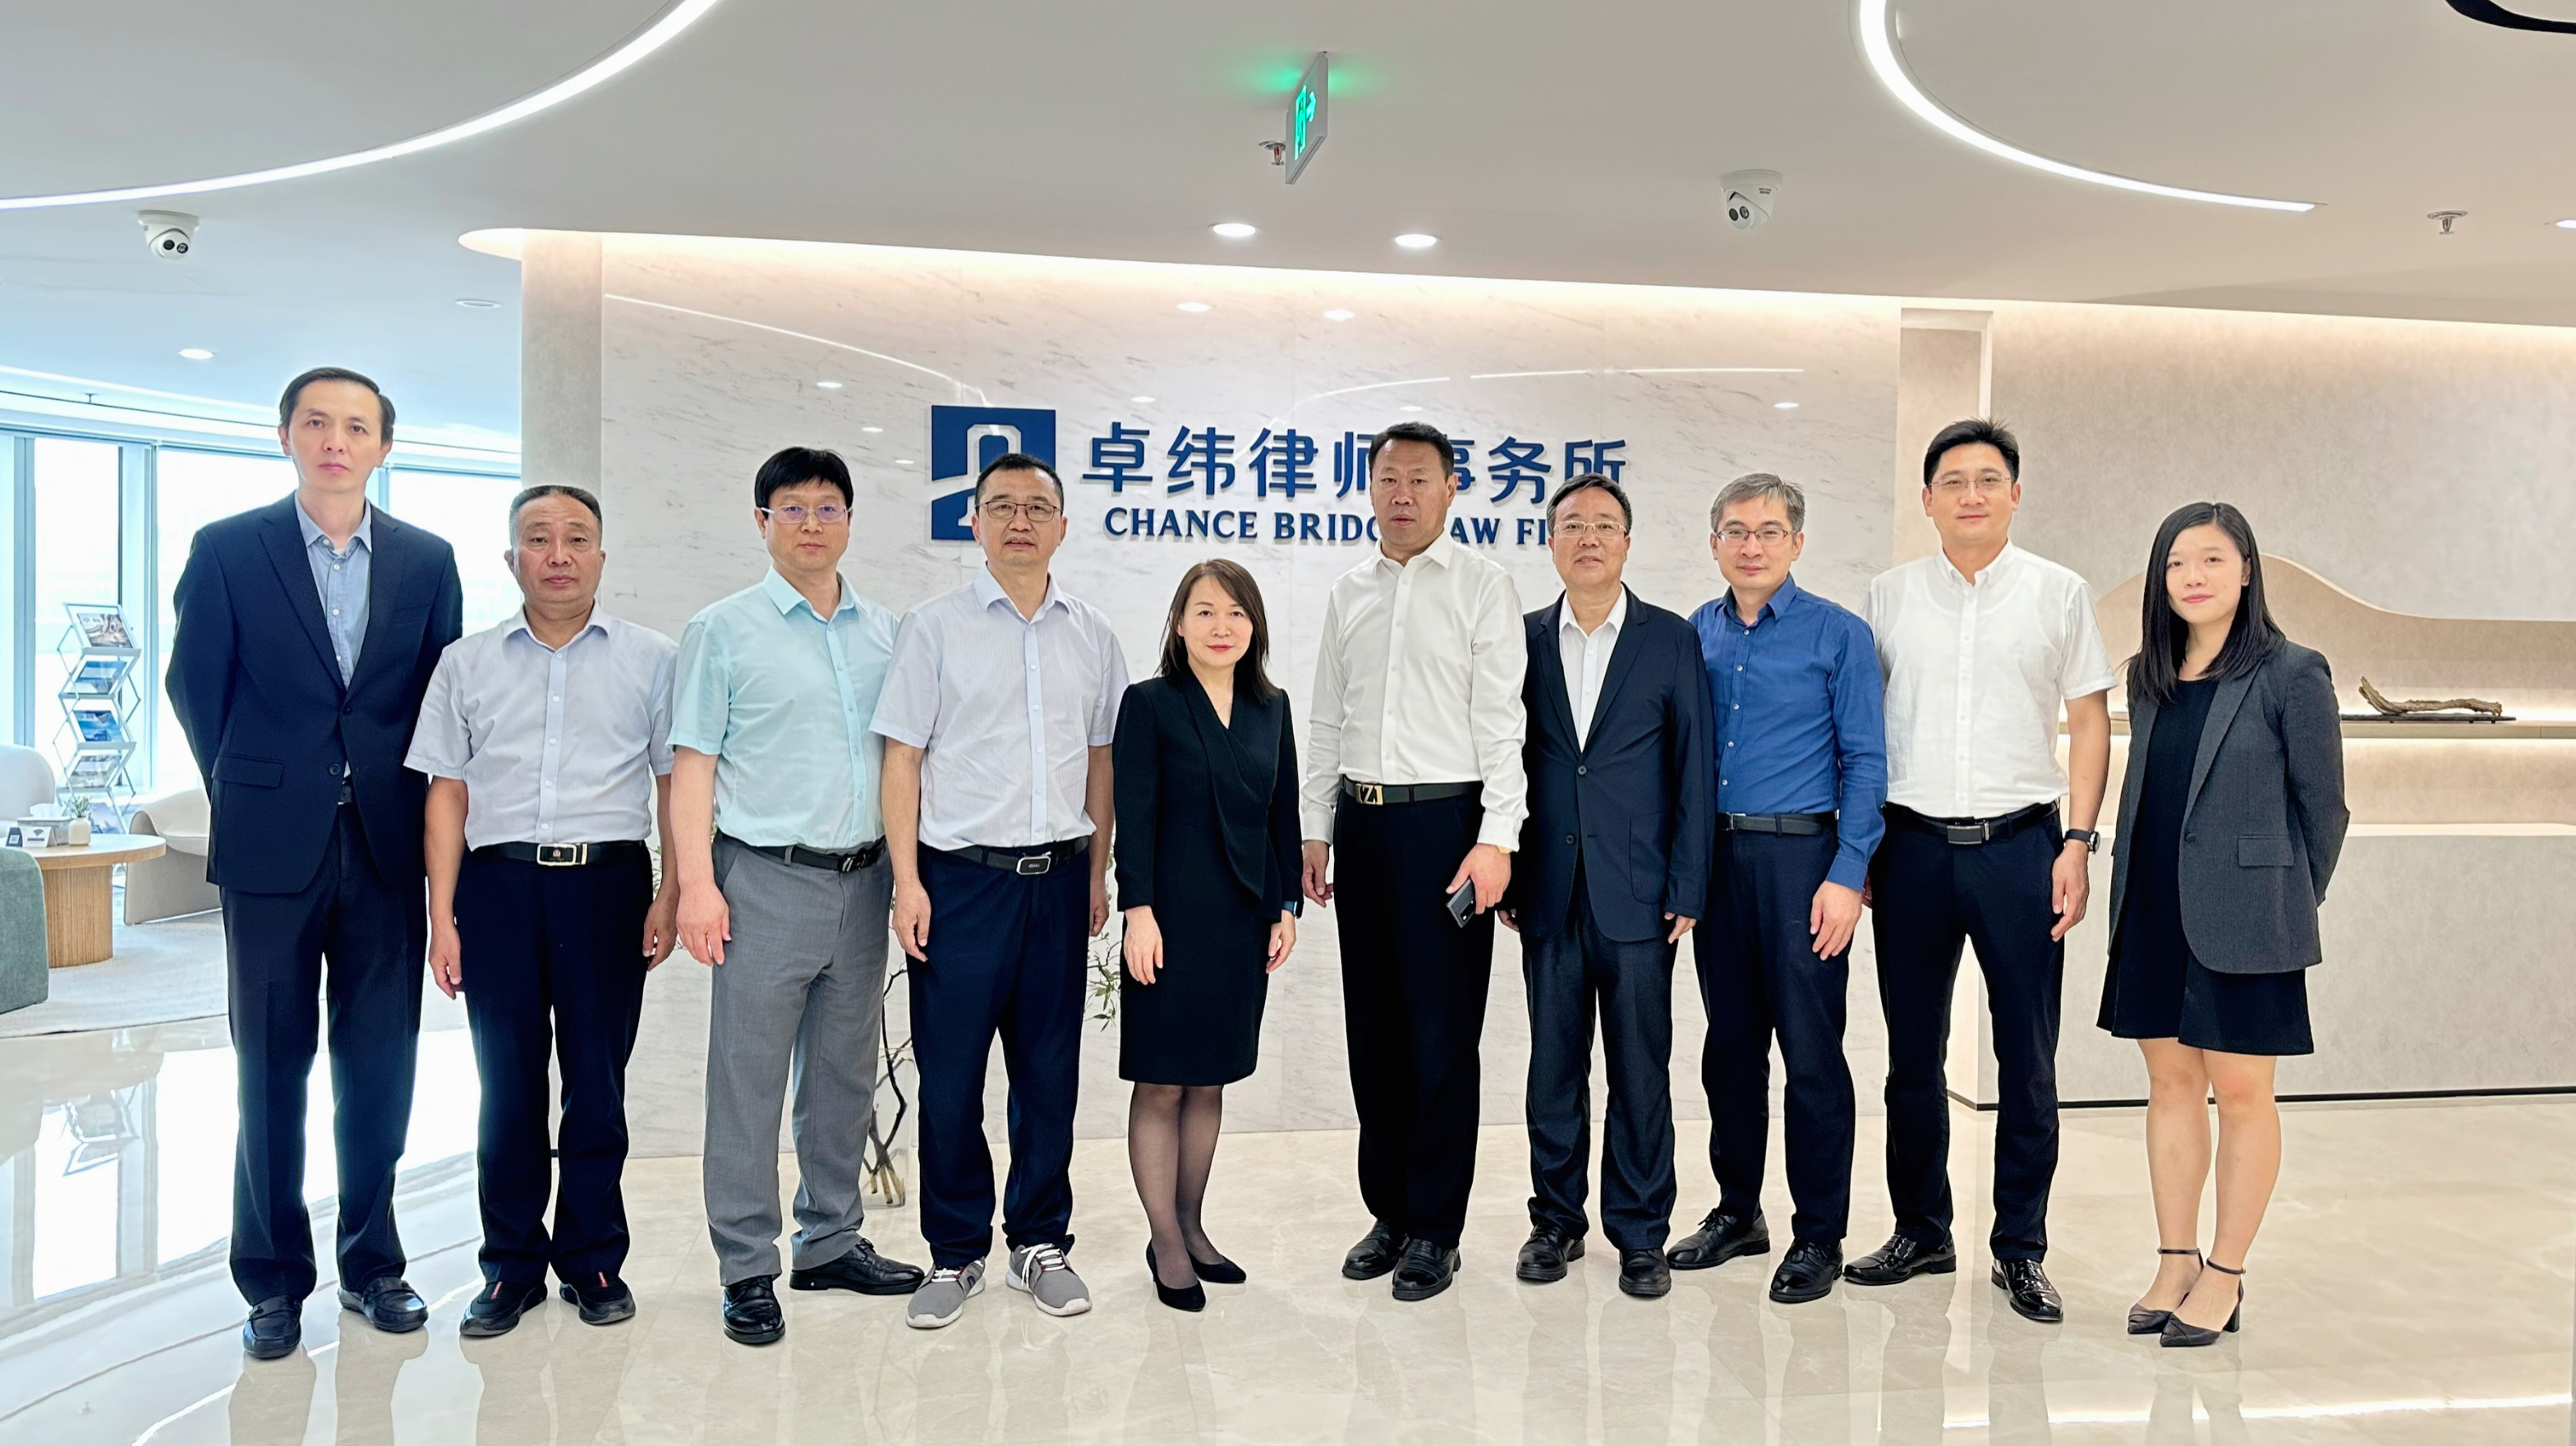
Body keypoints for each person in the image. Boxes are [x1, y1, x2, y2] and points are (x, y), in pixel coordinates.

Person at [166, 367, 463, 1359]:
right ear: (285, 434)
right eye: (317, 422)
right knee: (269, 1065)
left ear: (385, 445)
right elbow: (196, 685)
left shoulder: (427, 559)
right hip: (269, 845)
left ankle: (374, 1263)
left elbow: (440, 703)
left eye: (357, 426)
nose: (336, 440)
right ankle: (271, 1280)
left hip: (385, 844)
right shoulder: (228, 548)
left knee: (379, 1063)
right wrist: (255, 783)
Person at [1852, 419, 2115, 1323]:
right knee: (1910, 1056)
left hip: (2022, 848)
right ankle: (1921, 1229)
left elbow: (2089, 723)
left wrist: (2078, 842)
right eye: (1954, 481)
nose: (1972, 494)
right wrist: (1862, 845)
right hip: (1910, 848)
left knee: (2027, 1060)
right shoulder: (1888, 596)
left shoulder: (2059, 592)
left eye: (1989, 478)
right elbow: (1862, 728)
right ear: (1926, 499)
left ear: (2015, 494)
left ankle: (2020, 1249)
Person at [407, 484, 680, 1337]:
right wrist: (442, 916)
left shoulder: (654, 659)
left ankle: (593, 1259)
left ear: (601, 555)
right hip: (498, 889)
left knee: (597, 1085)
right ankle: (510, 1267)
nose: (558, 554)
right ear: (510, 558)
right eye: (537, 538)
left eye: (575, 537)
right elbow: (446, 793)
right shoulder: (466, 662)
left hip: (608, 887)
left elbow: (674, 782)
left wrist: (672, 890)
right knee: (507, 1087)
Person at [669, 447, 923, 1348]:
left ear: (850, 520)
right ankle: (747, 1266)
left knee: (843, 1076)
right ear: (762, 521)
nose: (811, 523)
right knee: (747, 1081)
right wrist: (696, 884)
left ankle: (830, 1240)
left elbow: (906, 762)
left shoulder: (888, 631)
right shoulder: (722, 629)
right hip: (762, 881)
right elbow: (692, 766)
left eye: (828, 507)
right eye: (792, 507)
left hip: (864, 881)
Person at [875, 451, 1128, 1330]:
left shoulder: (1093, 634)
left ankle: (1038, 1240)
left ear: (1062, 525)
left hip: (1057, 881)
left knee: (1048, 1073)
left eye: (1038, 507)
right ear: (974, 521)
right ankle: (954, 1251)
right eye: (1002, 506)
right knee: (950, 1077)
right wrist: (907, 881)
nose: (1021, 521)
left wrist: (1096, 869)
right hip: (959, 883)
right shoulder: (934, 628)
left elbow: (1101, 761)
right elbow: (901, 758)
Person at [2100, 502, 2345, 1348]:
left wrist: (2285, 899)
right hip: (2152, 905)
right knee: (2170, 1086)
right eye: (2176, 563)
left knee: (2242, 1094)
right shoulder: (2149, 675)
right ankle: (2176, 1260)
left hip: (2247, 914)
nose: (2192, 577)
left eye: (2210, 559)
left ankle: (2226, 1271)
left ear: (2246, 570)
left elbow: (2325, 808)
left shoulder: (2292, 671)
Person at [1302, 420, 1529, 1303]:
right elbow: (1327, 717)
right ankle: (1389, 1211)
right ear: (1370, 488)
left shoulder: (1483, 585)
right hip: (1361, 828)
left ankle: (1437, 1227)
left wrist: (1497, 838)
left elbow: (1503, 724)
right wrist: (1315, 829)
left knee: (1440, 1037)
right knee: (1375, 1034)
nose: (1402, 494)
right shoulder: (1347, 591)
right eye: (1388, 478)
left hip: (1449, 829)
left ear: (1449, 488)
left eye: (1419, 479)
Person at [1674, 473, 1886, 1304]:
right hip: (1716, 862)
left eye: (1768, 531)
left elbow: (1865, 759)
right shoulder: (1692, 632)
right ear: (1714, 543)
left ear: (1796, 542)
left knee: (1810, 1053)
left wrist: (1848, 872)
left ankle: (1819, 1233)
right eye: (1735, 531)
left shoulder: (1839, 634)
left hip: (1805, 861)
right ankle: (1737, 1212)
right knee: (1729, 1049)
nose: (1751, 545)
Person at [1502, 473, 1710, 1301]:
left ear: (1627, 541)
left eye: (1603, 524)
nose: (1587, 537)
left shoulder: (1670, 639)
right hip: (1546, 888)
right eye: (1571, 524)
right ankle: (1555, 1220)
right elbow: (1503, 758)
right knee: (1553, 1067)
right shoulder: (1518, 637)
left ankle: (1640, 1232)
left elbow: (1695, 765)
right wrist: (1507, 866)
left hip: (1641, 891)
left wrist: (1688, 882)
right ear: (1549, 540)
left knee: (1640, 1068)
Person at [1112, 560, 1303, 1312]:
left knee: (1210, 1079)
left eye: (1236, 613)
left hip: (1239, 919)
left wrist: (1285, 906)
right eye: (1204, 612)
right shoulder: (1150, 703)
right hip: (1167, 919)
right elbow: (1134, 815)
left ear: (1254, 625)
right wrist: (1138, 912)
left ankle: (1191, 1225)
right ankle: (1164, 1240)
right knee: (1163, 1079)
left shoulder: (1271, 707)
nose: (1221, 627)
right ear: (1178, 624)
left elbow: (1283, 814)